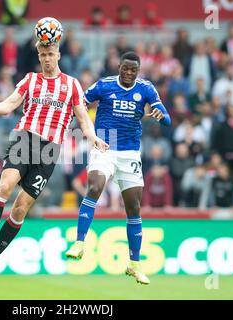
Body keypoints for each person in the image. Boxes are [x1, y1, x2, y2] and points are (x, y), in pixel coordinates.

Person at [0, 40, 109, 288]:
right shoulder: (30, 80)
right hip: (25, 138)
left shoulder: (72, 85)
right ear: (39, 56)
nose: (47, 59)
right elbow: (8, 105)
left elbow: (83, 119)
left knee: (20, 209)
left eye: (51, 54)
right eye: (43, 54)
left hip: (50, 150)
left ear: (58, 54)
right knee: (5, 186)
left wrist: (93, 137)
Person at [65, 52, 171, 285]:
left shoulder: (146, 89)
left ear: (138, 70)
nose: (128, 72)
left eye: (133, 69)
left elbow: (167, 119)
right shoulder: (104, 85)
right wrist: (86, 126)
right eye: (125, 68)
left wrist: (160, 115)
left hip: (130, 153)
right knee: (94, 187)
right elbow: (80, 102)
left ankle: (134, 264)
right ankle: (80, 242)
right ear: (119, 67)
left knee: (133, 207)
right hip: (104, 147)